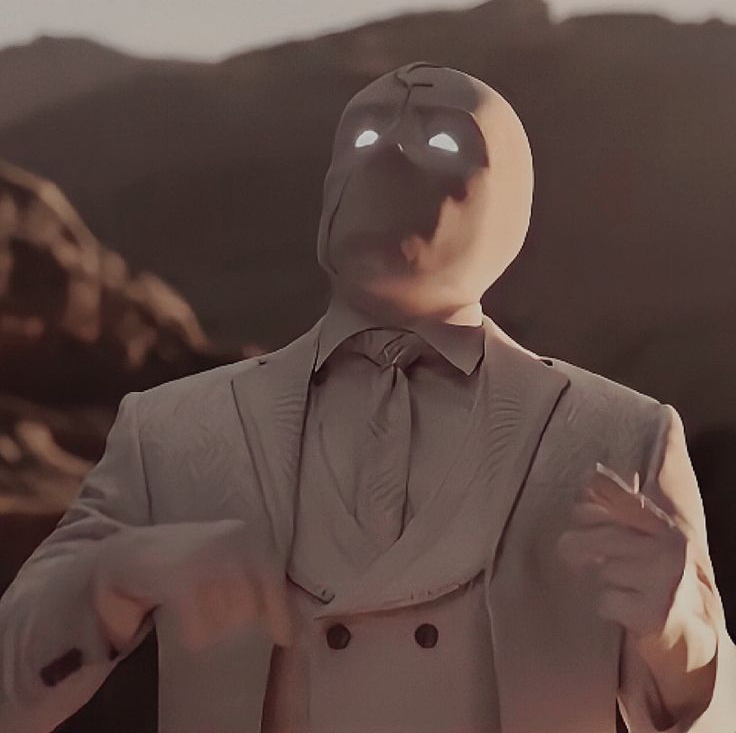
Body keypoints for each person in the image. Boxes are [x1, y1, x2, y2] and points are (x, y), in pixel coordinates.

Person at [1, 61, 733, 733]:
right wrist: (106, 582)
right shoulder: (170, 430)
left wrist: (682, 639)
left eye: (444, 140)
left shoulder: (621, 435)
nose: (387, 155)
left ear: (514, 210)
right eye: (368, 133)